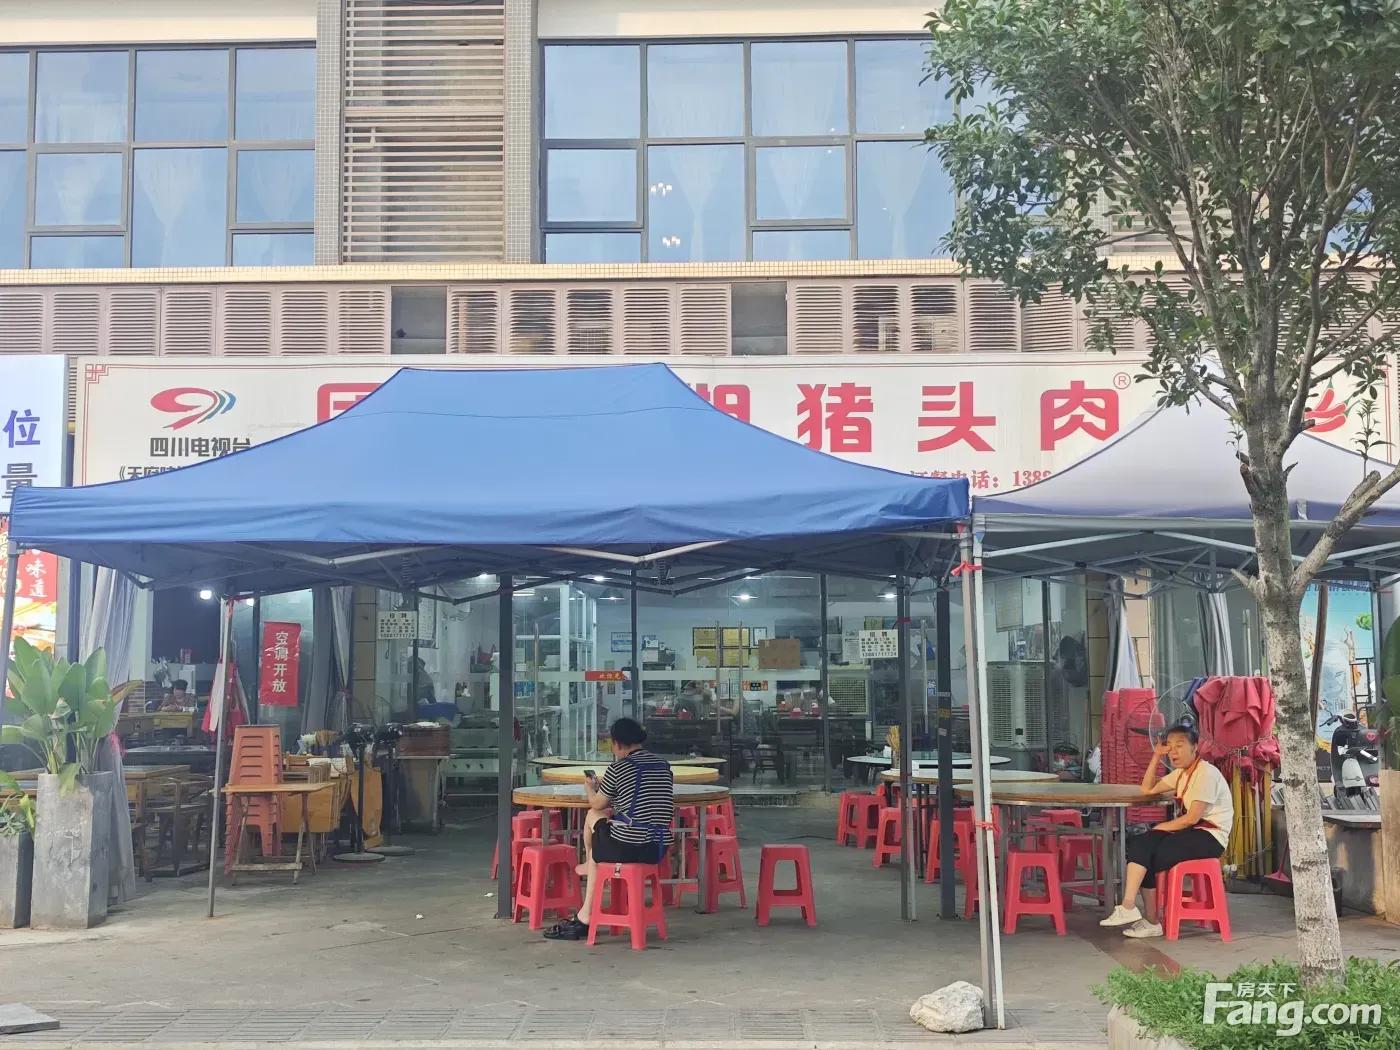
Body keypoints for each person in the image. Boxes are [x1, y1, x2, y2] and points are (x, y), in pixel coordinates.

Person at [544, 717, 675, 941]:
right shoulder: (663, 766)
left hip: (627, 847)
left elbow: (597, 804)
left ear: (616, 743)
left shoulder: (618, 768)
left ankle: (586, 905)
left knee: (593, 815)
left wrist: (590, 789)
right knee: (605, 833)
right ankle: (591, 865)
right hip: (657, 847)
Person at [1100, 723, 1233, 938]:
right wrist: (1156, 757)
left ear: (1195, 747)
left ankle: (1150, 920)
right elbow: (1147, 789)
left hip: (1211, 837)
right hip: (1191, 832)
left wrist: (1160, 828)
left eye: (1179, 745)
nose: (1173, 751)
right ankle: (1129, 906)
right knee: (1141, 844)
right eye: (1169, 746)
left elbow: (1192, 818)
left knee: (1151, 854)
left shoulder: (1206, 773)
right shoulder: (1180, 774)